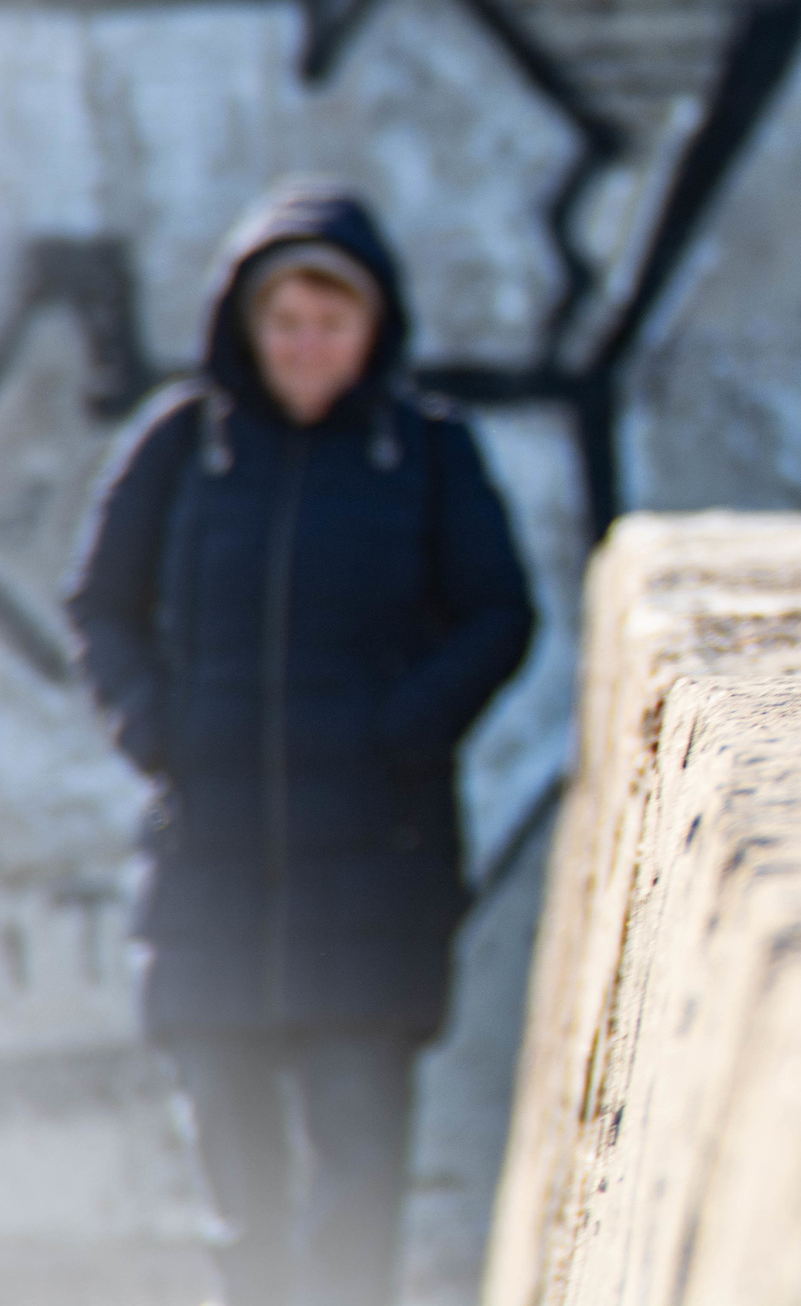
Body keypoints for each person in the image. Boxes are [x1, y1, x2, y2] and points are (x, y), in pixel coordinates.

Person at [65, 185, 535, 1306]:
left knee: (358, 1197)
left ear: (373, 330)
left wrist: (403, 730)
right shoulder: (182, 449)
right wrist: (157, 727)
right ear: (246, 327)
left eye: (332, 323)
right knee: (244, 1218)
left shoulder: (425, 453)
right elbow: (102, 607)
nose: (307, 347)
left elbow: (498, 614)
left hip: (375, 873)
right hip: (211, 878)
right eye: (285, 323)